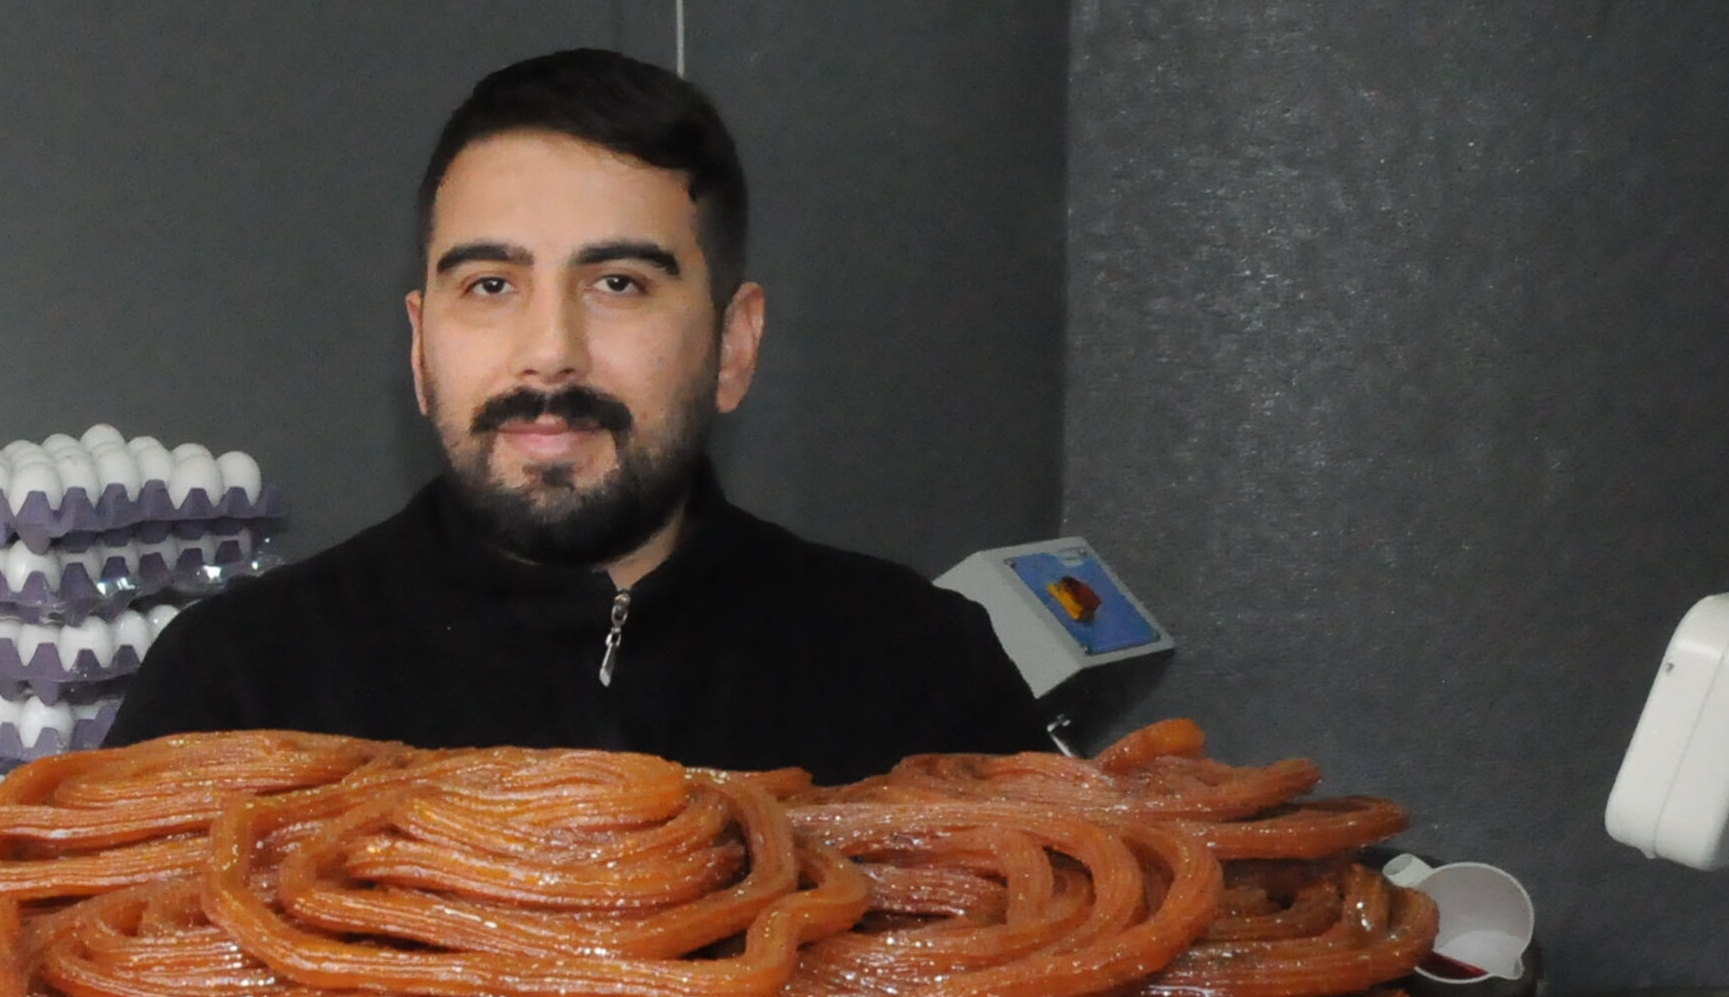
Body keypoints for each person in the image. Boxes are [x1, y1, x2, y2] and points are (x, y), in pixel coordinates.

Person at [109, 49, 1048, 781]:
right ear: (419, 347)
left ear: (734, 345)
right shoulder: (236, 689)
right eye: (489, 284)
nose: (549, 350)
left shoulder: (918, 674)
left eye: (617, 283)